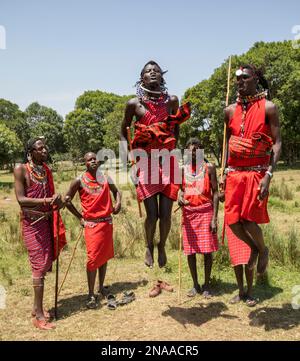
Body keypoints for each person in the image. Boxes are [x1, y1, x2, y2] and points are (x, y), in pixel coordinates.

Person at [121, 60, 190, 269]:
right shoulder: (134, 104)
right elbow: (124, 132)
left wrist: (171, 149)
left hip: (167, 162)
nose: (152, 73)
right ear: (141, 78)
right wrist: (129, 163)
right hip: (145, 163)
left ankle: (161, 246)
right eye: (148, 71)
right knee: (152, 214)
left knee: (166, 214)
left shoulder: (172, 101)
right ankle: (149, 245)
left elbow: (176, 129)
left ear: (162, 76)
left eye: (156, 71)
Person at [220, 64, 281, 275]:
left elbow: (277, 143)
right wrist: (223, 174)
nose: (240, 81)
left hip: (257, 173)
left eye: (245, 77)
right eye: (237, 78)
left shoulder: (268, 108)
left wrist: (269, 176)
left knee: (248, 219)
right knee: (233, 222)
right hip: (234, 174)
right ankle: (254, 248)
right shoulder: (229, 111)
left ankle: (262, 250)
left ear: (256, 80)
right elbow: (227, 146)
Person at [14, 138, 66, 330]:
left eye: (45, 147)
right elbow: (20, 199)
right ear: (30, 151)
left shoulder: (45, 171)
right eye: (40, 148)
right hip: (31, 224)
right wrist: (46, 200)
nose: (45, 150)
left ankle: (37, 308)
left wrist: (58, 201)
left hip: (45, 222)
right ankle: (38, 316)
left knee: (44, 264)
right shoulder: (21, 169)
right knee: (39, 265)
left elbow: (51, 198)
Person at [64, 152, 121, 309]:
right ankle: (90, 294)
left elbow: (117, 192)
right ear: (85, 163)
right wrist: (79, 217)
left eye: (95, 158)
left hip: (107, 223)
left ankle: (101, 287)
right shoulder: (79, 180)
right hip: (92, 225)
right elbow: (66, 200)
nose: (93, 161)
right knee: (93, 259)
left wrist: (118, 204)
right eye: (89, 160)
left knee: (104, 256)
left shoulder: (105, 178)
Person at [178, 138, 219, 298]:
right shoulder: (183, 170)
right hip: (188, 214)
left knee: (207, 251)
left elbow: (215, 193)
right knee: (190, 251)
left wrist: (214, 218)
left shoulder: (209, 168)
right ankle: (195, 284)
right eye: (189, 151)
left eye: (196, 150)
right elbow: (180, 190)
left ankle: (207, 284)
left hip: (206, 212)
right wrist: (180, 197)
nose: (192, 153)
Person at [224, 223, 257, 306]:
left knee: (249, 257)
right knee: (236, 259)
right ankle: (241, 292)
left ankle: (249, 293)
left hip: (247, 221)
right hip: (232, 222)